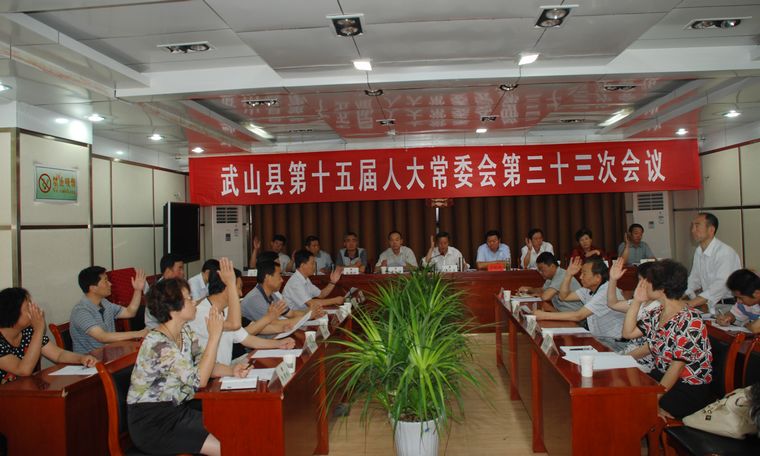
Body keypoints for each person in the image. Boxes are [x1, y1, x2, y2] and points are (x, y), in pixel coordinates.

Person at [127, 278, 248, 456]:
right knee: (230, 448)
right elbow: (200, 380)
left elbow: (204, 365)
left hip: (178, 410)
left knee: (234, 427)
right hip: (154, 423)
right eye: (189, 298)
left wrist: (231, 370)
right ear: (174, 308)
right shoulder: (158, 344)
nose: (194, 302)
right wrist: (214, 336)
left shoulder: (184, 332)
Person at [621, 260, 714, 420]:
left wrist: (654, 399)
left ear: (662, 289)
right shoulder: (658, 312)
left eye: (648, 281)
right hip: (662, 376)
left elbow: (676, 368)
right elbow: (628, 333)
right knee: (624, 390)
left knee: (636, 403)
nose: (643, 285)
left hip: (687, 387)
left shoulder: (690, 320)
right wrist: (636, 301)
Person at [188, 259, 294, 364]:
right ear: (227, 288)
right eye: (238, 288)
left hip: (226, 368)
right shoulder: (202, 312)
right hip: (213, 372)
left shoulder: (226, 309)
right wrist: (231, 283)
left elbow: (247, 339)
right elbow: (235, 325)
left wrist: (279, 344)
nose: (240, 294)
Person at [0, 287, 96, 383]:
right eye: (28, 307)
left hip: (26, 387)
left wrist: (81, 358)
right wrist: (39, 329)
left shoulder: (28, 331)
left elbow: (58, 355)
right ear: (12, 313)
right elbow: (23, 370)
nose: (34, 310)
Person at [533, 256, 626, 350]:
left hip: (616, 343)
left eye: (584, 274)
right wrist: (568, 275)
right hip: (600, 338)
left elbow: (578, 316)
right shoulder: (588, 289)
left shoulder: (606, 291)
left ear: (597, 277)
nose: (581, 277)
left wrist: (544, 315)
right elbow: (563, 296)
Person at [70, 266, 148, 354]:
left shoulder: (105, 303)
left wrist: (137, 290)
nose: (110, 284)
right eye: (106, 281)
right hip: (90, 359)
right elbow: (102, 337)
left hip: (110, 354)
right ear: (93, 288)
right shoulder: (81, 311)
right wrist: (138, 333)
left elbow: (130, 312)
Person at [685, 213, 742, 314]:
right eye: (692, 226)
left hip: (729, 307)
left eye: (697, 226)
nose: (693, 230)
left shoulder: (724, 252)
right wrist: (676, 296)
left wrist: (691, 303)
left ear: (711, 230)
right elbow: (694, 279)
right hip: (711, 305)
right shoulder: (699, 251)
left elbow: (721, 285)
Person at [242, 260, 314, 338]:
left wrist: (310, 312)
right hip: (259, 342)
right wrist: (306, 317)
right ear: (268, 277)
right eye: (279, 275)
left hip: (274, 337)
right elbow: (274, 324)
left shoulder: (271, 295)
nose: (282, 280)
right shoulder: (255, 299)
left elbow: (291, 313)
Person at [518, 252, 582, 313]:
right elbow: (542, 290)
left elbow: (546, 296)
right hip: (564, 312)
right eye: (539, 270)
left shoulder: (561, 275)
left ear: (552, 266)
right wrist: (529, 289)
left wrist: (536, 295)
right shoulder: (550, 277)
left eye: (542, 270)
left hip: (575, 314)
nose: (540, 273)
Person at [145, 253, 186, 329]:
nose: (183, 273)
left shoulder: (179, 285)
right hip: (157, 329)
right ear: (168, 271)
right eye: (179, 269)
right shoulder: (157, 291)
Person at [716, 269, 760, 333]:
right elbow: (733, 314)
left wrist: (748, 325)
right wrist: (727, 318)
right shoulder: (746, 301)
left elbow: (755, 328)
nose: (738, 301)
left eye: (740, 298)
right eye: (736, 297)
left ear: (757, 293)